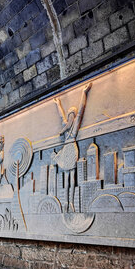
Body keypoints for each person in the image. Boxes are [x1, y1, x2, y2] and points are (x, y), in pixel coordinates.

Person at [52, 82, 92, 212]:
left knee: (72, 178)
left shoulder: (74, 127)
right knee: (67, 179)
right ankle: (66, 202)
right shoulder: (66, 126)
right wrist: (58, 104)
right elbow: (61, 115)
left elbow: (81, 110)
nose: (70, 116)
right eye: (70, 114)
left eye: (72, 115)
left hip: (71, 149)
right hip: (66, 150)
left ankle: (71, 203)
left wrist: (83, 93)